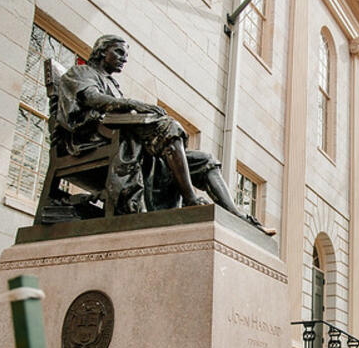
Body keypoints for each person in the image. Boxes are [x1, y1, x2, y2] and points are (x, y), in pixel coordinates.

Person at [57, 34, 275, 234]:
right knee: (168, 127)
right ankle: (190, 198)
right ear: (101, 51)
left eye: (126, 55)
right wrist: (134, 104)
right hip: (92, 142)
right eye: (119, 52)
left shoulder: (112, 83)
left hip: (126, 141)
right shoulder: (82, 72)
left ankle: (236, 216)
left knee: (205, 160)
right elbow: (91, 99)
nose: (124, 59)